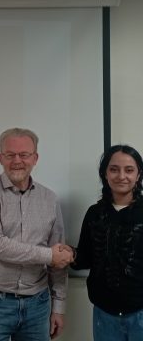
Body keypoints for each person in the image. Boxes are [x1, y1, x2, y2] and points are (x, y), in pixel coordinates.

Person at [0, 128, 72, 341]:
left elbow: (59, 257)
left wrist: (59, 307)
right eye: (10, 155)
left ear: (35, 158)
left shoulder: (50, 199)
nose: (17, 161)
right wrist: (49, 256)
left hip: (39, 305)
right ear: (1, 158)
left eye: (24, 154)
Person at [70, 144, 143, 340]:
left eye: (129, 170)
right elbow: (84, 258)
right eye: (114, 169)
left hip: (140, 313)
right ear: (105, 174)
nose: (121, 176)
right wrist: (69, 254)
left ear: (138, 175)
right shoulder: (95, 213)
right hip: (104, 314)